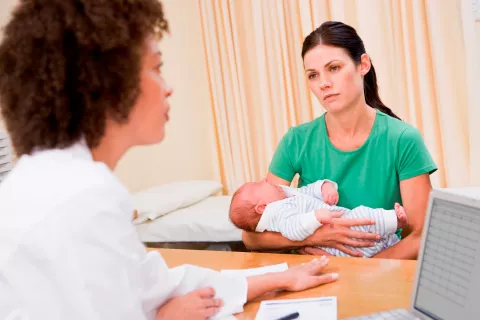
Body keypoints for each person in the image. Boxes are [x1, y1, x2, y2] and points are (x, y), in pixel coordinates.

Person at [0, 1, 339, 320]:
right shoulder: (81, 196)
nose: (167, 88)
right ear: (109, 82)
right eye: (157, 67)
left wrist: (280, 279)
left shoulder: (59, 180)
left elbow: (154, 284)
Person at [242, 21, 437, 259]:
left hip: (377, 272)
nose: (323, 83)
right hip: (312, 274)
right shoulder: (296, 141)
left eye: (334, 68)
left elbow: (421, 235)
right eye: (313, 75)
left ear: (363, 65)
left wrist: (362, 271)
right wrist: (317, 237)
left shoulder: (403, 139)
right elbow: (250, 236)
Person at [229, 179, 407, 258]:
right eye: (260, 185)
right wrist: (316, 217)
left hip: (346, 235)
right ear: (262, 208)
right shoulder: (279, 212)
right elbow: (293, 230)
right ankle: (396, 220)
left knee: (368, 228)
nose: (264, 180)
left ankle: (391, 232)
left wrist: (324, 187)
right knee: (362, 215)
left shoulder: (286, 197)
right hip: (337, 246)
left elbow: (307, 191)